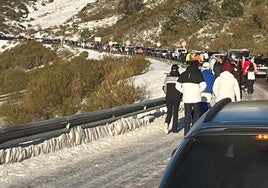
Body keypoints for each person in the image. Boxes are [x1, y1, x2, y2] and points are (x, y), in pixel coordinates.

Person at [175, 60, 207, 136]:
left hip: (187, 98)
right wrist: (198, 91)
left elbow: (177, 86)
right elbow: (204, 85)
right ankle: (194, 131)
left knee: (187, 115)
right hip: (196, 97)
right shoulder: (198, 74)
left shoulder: (184, 74)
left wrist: (183, 91)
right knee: (197, 114)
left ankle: (186, 133)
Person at [162, 64, 182, 134]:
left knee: (169, 111)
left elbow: (164, 88)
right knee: (175, 112)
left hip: (168, 97)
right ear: (177, 69)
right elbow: (181, 88)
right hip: (176, 97)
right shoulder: (179, 77)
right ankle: (174, 128)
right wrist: (180, 94)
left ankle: (166, 123)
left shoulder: (168, 78)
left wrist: (167, 93)